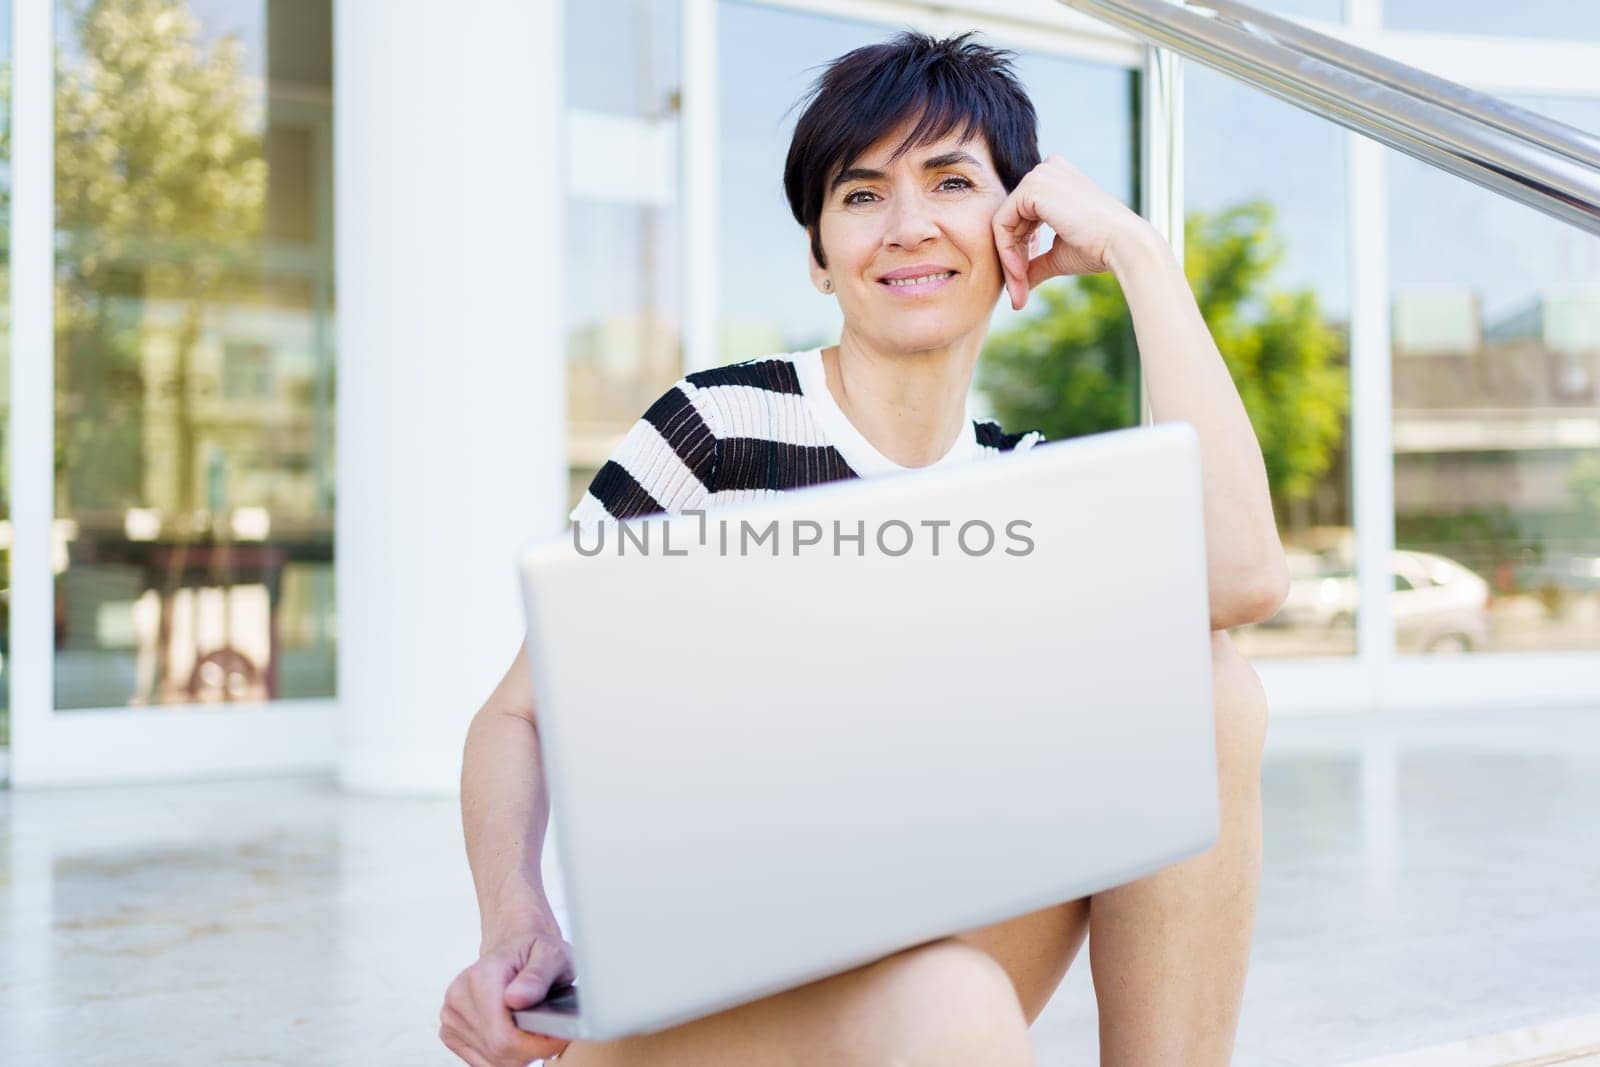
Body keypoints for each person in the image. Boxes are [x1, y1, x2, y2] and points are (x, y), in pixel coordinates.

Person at [441, 30, 1288, 1067]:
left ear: (1018, 229)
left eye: (950, 181)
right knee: (951, 1006)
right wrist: (511, 916)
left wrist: (1139, 257)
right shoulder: (714, 430)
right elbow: (514, 715)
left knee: (1205, 685)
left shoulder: (1026, 486)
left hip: (915, 964)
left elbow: (1244, 579)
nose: (908, 226)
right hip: (684, 1006)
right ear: (817, 254)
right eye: (861, 196)